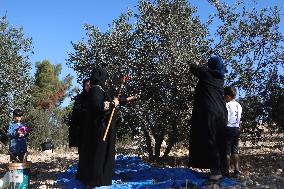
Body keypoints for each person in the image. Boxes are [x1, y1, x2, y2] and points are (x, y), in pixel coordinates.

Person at [76, 67, 137, 188]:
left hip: (102, 128)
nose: (106, 79)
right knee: (97, 155)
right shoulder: (95, 90)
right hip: (98, 129)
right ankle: (94, 180)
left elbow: (113, 101)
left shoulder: (100, 90)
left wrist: (125, 99)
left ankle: (100, 178)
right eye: (104, 77)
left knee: (101, 154)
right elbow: (98, 106)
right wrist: (113, 103)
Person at [188, 56, 228, 181]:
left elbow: (193, 67)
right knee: (220, 140)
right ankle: (223, 170)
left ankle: (216, 172)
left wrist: (188, 59)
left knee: (210, 140)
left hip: (210, 112)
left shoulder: (206, 74)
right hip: (222, 113)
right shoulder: (220, 78)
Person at [224, 86, 242, 177]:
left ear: (228, 96)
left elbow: (225, 118)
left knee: (226, 151)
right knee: (235, 150)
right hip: (237, 128)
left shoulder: (227, 105)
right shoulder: (239, 105)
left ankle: (226, 172)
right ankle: (237, 171)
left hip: (228, 128)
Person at [69, 79, 91, 149]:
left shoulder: (95, 97)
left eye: (89, 85)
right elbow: (76, 111)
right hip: (82, 127)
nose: (87, 87)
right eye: (86, 86)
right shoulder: (80, 97)